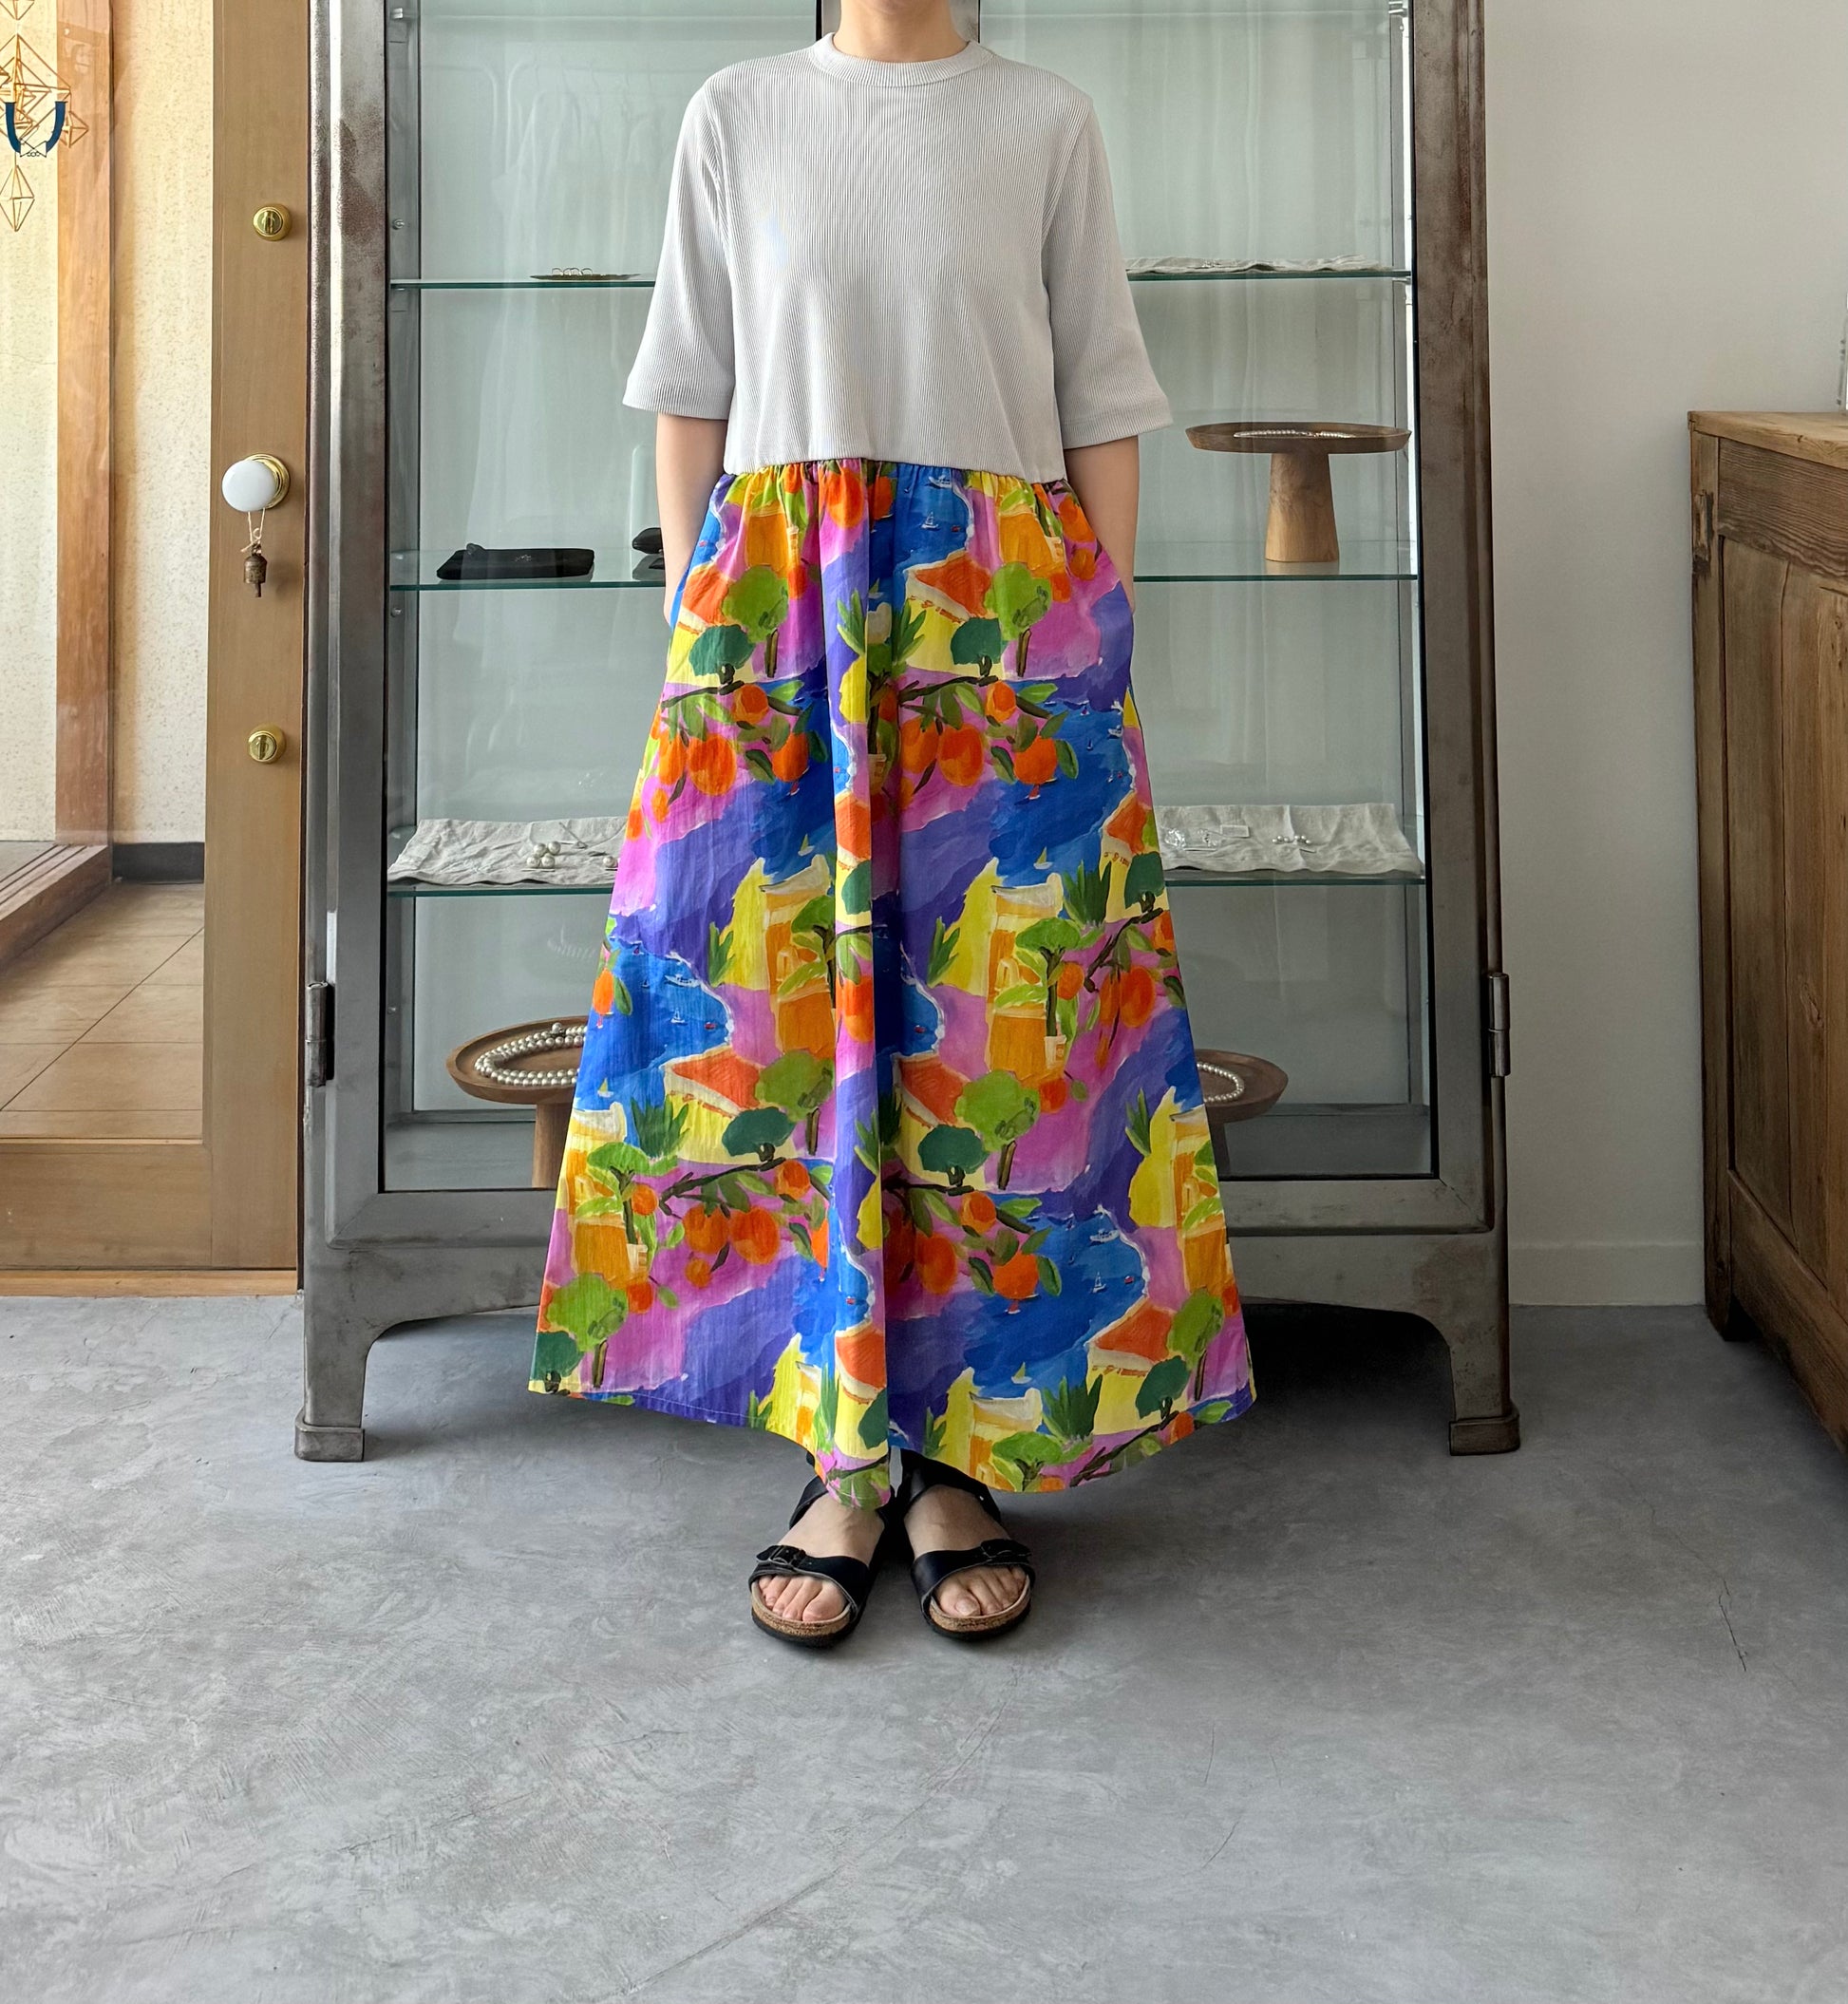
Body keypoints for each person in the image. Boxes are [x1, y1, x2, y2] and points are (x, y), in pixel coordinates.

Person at [531, 0, 1254, 1647]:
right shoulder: (737, 112)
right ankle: (840, 1459)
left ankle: (952, 1464)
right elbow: (690, 386)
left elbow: (1100, 391)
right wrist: (694, 632)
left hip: (1000, 609)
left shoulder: (1042, 119)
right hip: (776, 604)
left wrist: (1097, 633)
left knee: (1001, 1035)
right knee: (778, 1018)